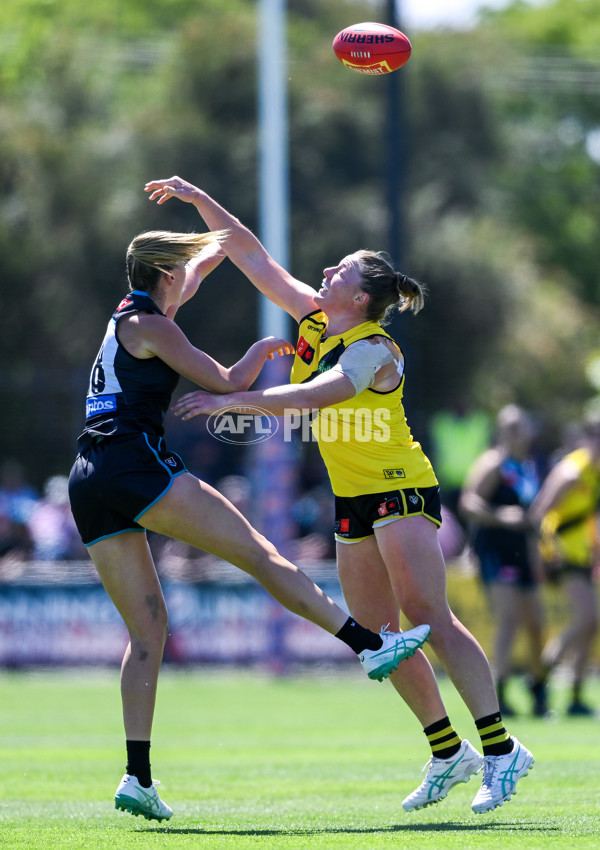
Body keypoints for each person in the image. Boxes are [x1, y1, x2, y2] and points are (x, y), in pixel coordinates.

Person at [146, 175, 535, 815]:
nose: (326, 271)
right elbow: (248, 252)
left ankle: (500, 750)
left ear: (362, 295)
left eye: (341, 269)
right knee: (380, 637)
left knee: (427, 616)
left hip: (400, 486)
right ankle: (447, 752)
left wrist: (235, 398)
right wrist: (196, 199)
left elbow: (316, 395)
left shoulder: (375, 347)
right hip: (353, 497)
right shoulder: (316, 318)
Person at [67, 228, 430, 823]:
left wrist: (209, 236)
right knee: (262, 556)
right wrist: (263, 352)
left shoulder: (129, 315)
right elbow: (229, 383)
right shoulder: (154, 325)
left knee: (148, 630)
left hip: (88, 478)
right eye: (181, 274)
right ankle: (367, 646)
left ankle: (137, 777)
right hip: (133, 464)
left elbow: (204, 267)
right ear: (164, 279)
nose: (189, 282)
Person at [459, 405, 548, 717]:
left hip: (523, 552)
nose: (516, 434)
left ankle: (539, 690)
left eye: (520, 427)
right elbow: (469, 502)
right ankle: (500, 694)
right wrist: (501, 516)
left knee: (537, 622)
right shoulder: (494, 462)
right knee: (508, 619)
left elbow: (530, 515)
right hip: (495, 550)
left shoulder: (526, 465)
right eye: (510, 428)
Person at [529, 413, 600, 716]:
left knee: (591, 623)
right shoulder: (572, 472)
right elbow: (538, 514)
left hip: (581, 554)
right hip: (560, 554)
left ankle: (574, 696)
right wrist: (543, 556)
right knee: (587, 618)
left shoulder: (594, 473)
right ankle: (539, 675)